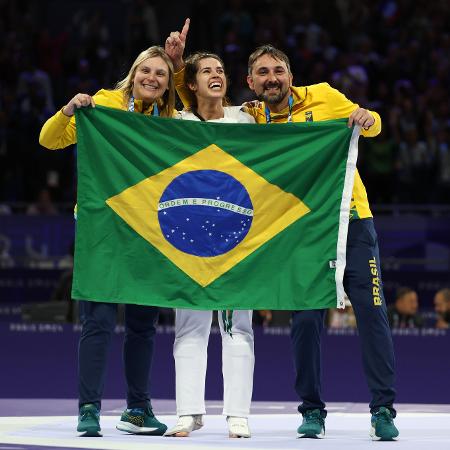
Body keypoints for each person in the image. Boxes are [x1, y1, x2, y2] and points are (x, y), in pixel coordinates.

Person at [244, 44, 399, 441]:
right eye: (262, 72)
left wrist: (368, 118)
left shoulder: (325, 97)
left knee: (372, 313)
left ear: (290, 76)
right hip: (301, 233)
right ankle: (311, 410)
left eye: (278, 70)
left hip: (353, 222)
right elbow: (196, 112)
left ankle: (383, 409)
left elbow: (374, 123)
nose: (271, 78)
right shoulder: (250, 119)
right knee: (305, 322)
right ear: (250, 82)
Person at [39, 45, 175, 437]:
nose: (152, 78)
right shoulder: (104, 106)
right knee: (97, 322)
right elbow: (49, 141)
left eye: (161, 74)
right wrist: (68, 109)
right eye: (145, 71)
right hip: (103, 228)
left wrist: (179, 63)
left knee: (142, 325)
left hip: (149, 233)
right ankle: (89, 409)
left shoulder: (171, 123)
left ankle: (137, 408)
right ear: (133, 74)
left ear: (167, 86)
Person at [164, 22, 255, 439]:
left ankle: (238, 414)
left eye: (221, 69)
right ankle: (188, 413)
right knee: (190, 326)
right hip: (190, 240)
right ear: (191, 84)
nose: (217, 73)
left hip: (239, 240)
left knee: (237, 326)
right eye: (207, 71)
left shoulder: (249, 120)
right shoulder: (177, 123)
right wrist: (176, 64)